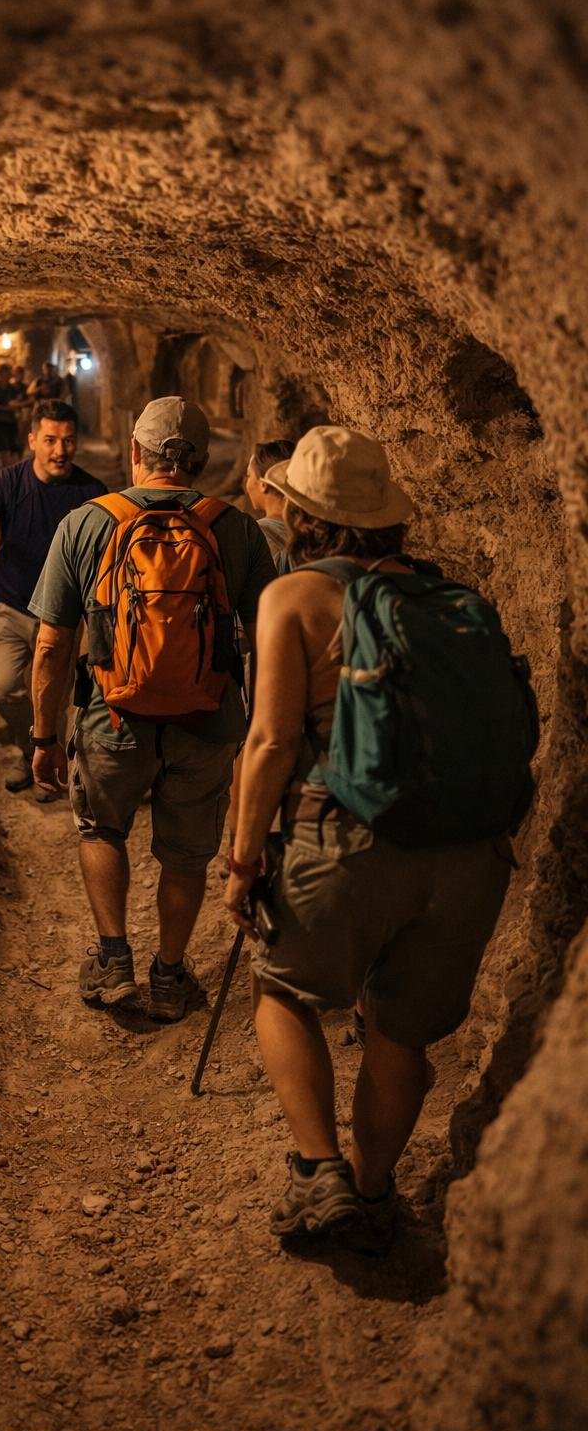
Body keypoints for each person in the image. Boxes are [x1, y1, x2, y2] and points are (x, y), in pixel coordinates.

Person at [224, 425, 515, 1252]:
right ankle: (377, 1187)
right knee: (400, 1032)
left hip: (347, 842)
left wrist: (244, 861)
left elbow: (272, 744)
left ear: (302, 513)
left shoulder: (296, 597)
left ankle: (322, 1176)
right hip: (467, 853)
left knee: (279, 987)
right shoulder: (449, 598)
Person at [29, 397, 275, 1021]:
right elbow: (268, 639)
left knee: (102, 828)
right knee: (187, 854)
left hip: (113, 718)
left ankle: (114, 960)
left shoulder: (87, 523)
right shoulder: (237, 528)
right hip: (207, 720)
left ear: (136, 452)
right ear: (201, 458)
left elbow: (53, 644)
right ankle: (169, 975)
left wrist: (44, 736)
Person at [0, 401, 107, 797]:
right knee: (2, 687)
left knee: (61, 699)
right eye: (50, 440)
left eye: (68, 441)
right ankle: (32, 748)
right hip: (11, 606)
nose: (60, 450)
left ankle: (53, 768)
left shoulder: (91, 493)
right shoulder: (10, 482)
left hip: (65, 618)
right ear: (33, 440)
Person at [244, 437, 296, 574]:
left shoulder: (255, 536)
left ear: (263, 485)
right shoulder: (315, 527)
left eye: (248, 476)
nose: (247, 484)